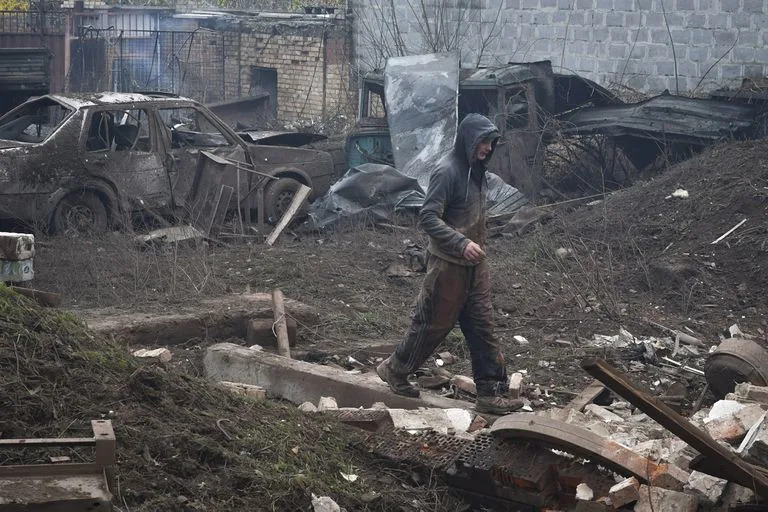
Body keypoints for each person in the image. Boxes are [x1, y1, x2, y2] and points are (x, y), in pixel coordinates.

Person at [377, 113, 523, 414]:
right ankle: (395, 369)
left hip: (475, 267)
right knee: (433, 326)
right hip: (448, 266)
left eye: (490, 143)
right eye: (482, 142)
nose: (487, 148)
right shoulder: (447, 171)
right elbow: (428, 217)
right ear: (467, 140)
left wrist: (475, 244)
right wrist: (461, 243)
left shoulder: (477, 170)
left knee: (483, 327)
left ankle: (491, 391)